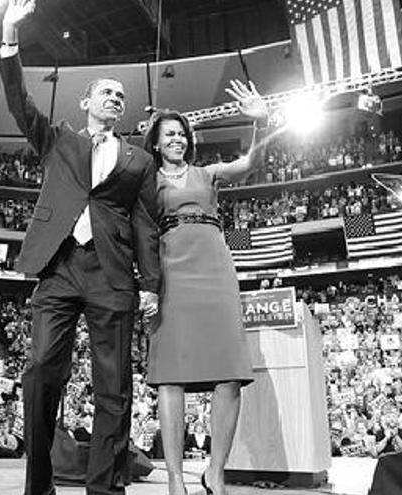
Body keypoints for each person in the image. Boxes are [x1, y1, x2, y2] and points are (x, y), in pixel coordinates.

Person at [0, 1, 161, 494]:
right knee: (41, 370)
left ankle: (105, 489)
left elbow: (147, 224)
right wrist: (9, 33)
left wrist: (151, 284)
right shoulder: (57, 141)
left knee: (114, 387)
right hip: (59, 267)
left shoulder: (139, 160)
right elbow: (19, 101)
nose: (114, 97)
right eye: (105, 92)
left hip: (113, 275)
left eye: (120, 95)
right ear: (85, 102)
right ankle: (39, 487)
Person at [142, 79, 267, 495]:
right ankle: (175, 479)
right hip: (171, 271)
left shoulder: (207, 174)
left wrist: (260, 123)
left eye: (181, 133)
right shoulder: (145, 181)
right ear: (157, 144)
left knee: (229, 372)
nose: (176, 139)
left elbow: (250, 163)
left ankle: (216, 471)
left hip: (214, 267)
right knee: (171, 377)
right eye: (169, 135)